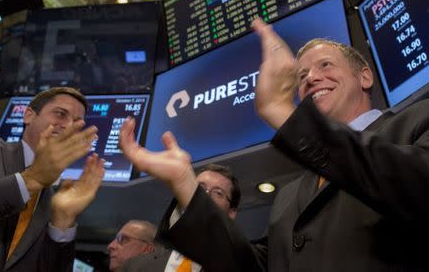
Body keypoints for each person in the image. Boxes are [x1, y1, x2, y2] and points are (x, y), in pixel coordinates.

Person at [118, 17, 429, 271]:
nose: (310, 78)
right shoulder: (290, 195)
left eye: (325, 65)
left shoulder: (418, 121)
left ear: (365, 77)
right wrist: (186, 186)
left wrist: (283, 113)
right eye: (302, 75)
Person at [0, 87, 105, 271]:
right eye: (60, 114)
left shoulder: (54, 201)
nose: (68, 126)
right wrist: (30, 180)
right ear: (28, 115)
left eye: (77, 122)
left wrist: (62, 225)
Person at [119, 164, 242, 272]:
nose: (205, 196)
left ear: (231, 213)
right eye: (199, 188)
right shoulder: (134, 266)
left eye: (218, 193)